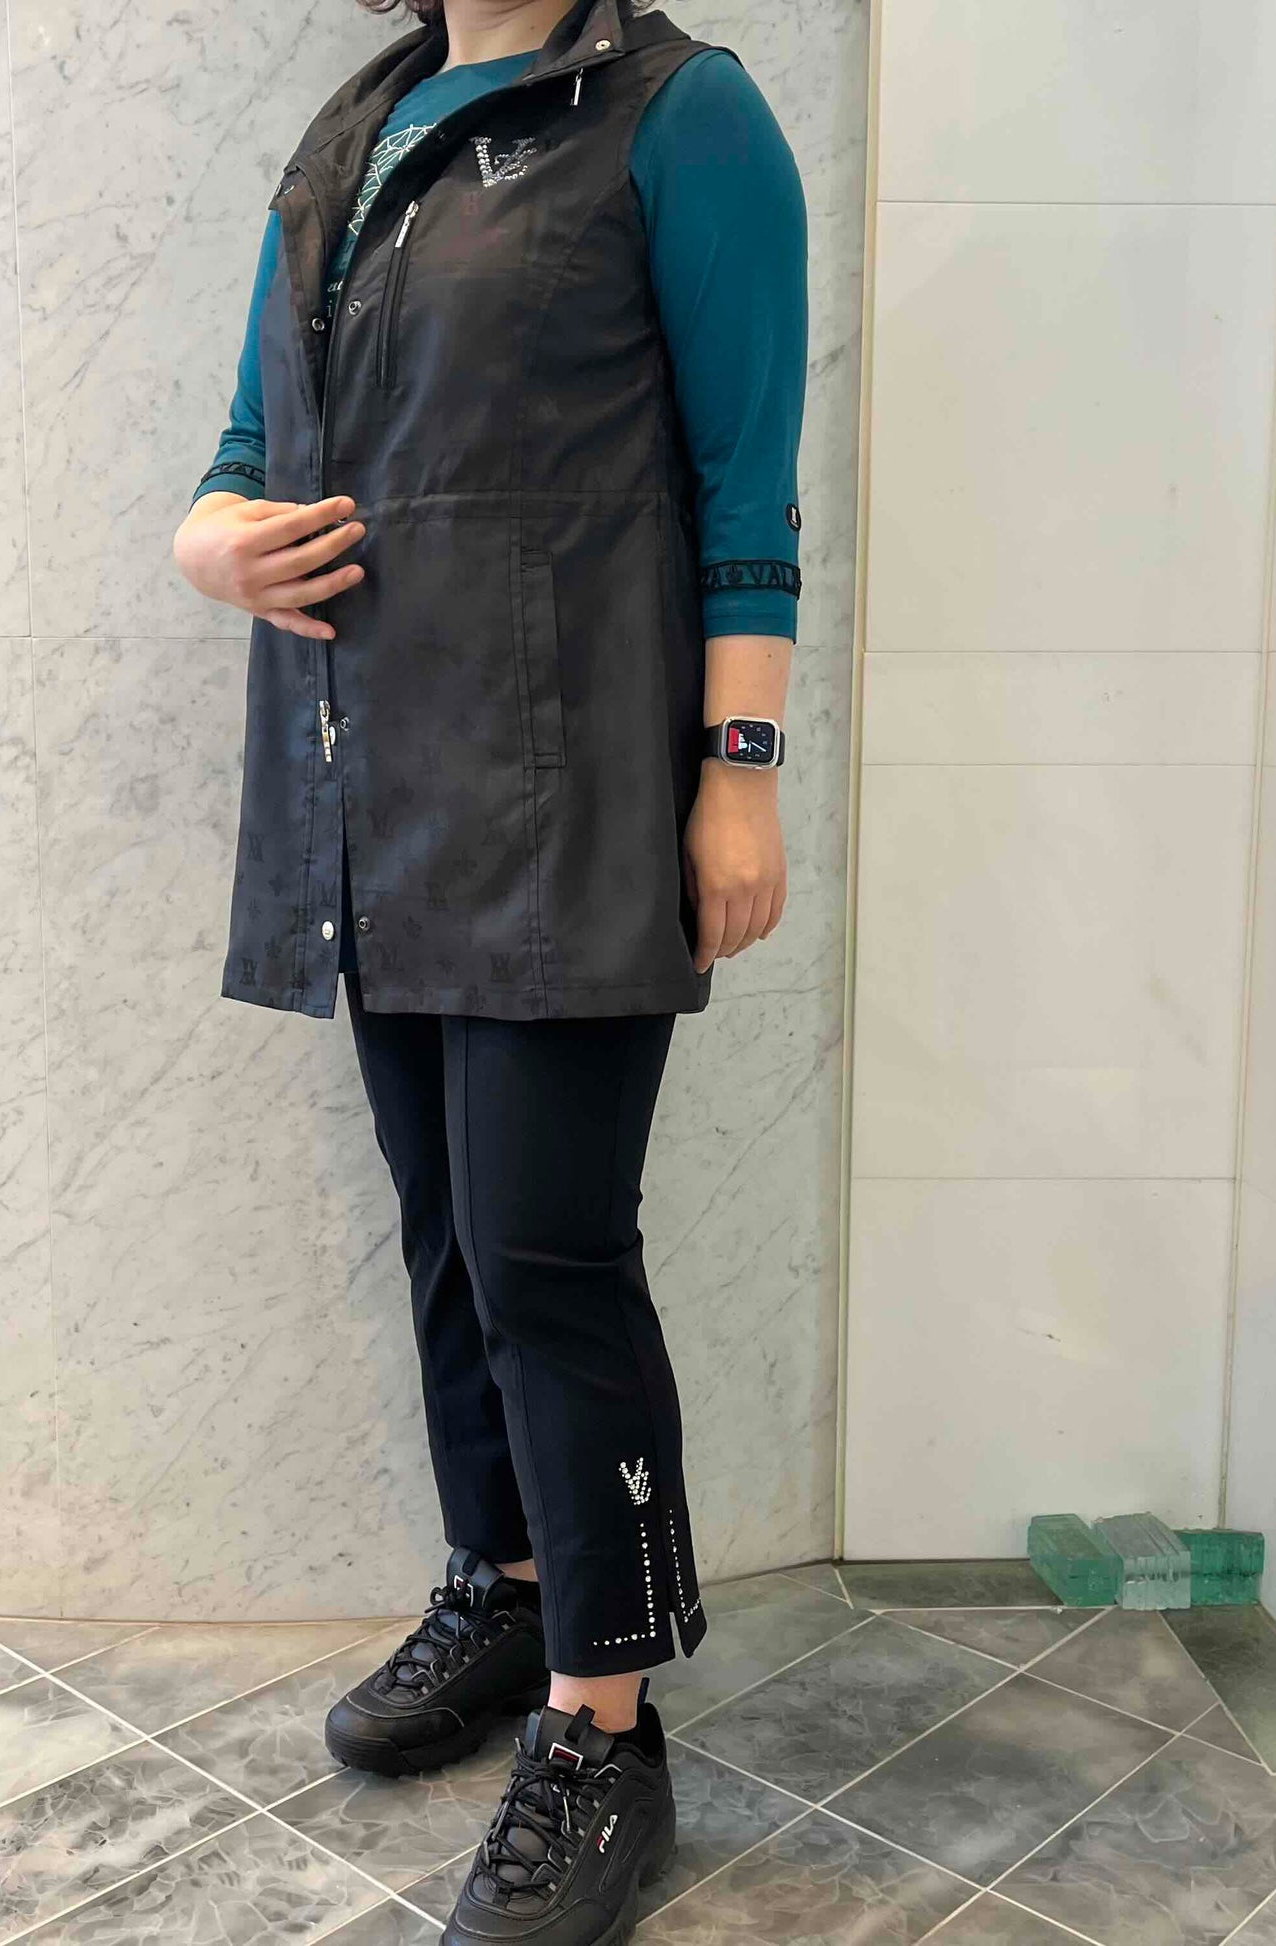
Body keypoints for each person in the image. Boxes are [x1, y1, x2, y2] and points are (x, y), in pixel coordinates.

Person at [172, 0, 806, 1937]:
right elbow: (238, 452)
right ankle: (508, 1589)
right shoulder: (350, 134)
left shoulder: (678, 116)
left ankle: (604, 1729)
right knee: (449, 1233)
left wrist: (741, 771)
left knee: (545, 1248)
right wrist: (212, 546)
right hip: (376, 794)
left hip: (576, 787)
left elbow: (746, 481)